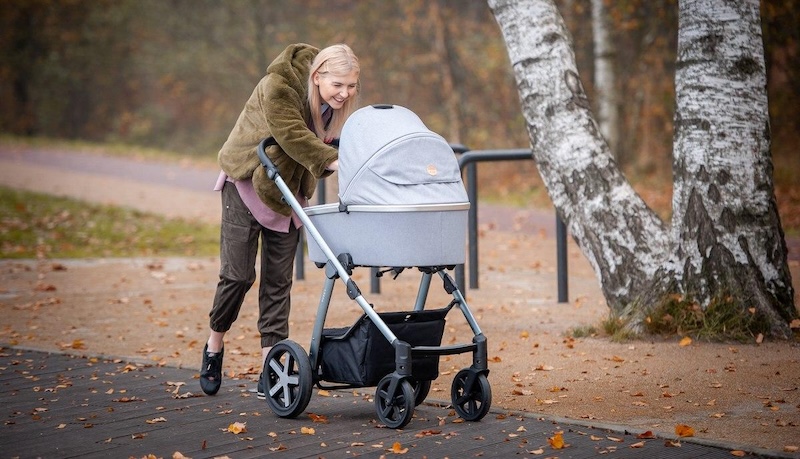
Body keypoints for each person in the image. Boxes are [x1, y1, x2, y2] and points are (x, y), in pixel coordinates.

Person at [201, 43, 360, 396]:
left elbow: (340, 140)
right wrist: (333, 161)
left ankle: (269, 367)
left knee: (277, 282)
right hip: (247, 181)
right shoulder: (279, 86)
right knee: (238, 277)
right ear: (317, 77)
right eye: (337, 85)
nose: (344, 93)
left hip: (287, 191)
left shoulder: (334, 107)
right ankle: (214, 345)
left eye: (351, 86)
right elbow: (291, 134)